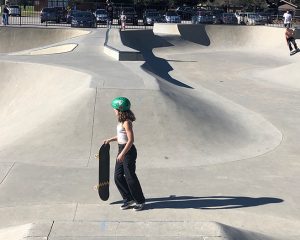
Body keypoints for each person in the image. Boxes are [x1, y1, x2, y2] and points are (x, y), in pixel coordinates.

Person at [104, 97, 146, 211]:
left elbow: (130, 140)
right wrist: (110, 140)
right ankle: (128, 199)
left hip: (128, 151)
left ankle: (140, 201)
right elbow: (121, 136)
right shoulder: (121, 122)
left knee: (130, 176)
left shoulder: (127, 122)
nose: (114, 110)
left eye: (114, 108)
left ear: (119, 109)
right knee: (117, 176)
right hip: (121, 149)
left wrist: (122, 153)